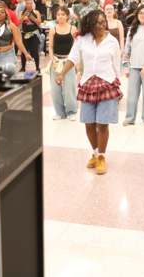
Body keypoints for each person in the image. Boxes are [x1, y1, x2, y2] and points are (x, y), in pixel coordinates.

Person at [55, 10, 122, 175]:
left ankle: (101, 157)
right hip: (87, 83)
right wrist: (62, 73)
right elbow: (72, 58)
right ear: (90, 24)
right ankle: (94, 152)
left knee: (102, 123)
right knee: (89, 123)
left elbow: (117, 65)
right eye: (98, 22)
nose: (101, 25)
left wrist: (119, 87)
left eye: (103, 22)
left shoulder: (112, 42)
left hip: (107, 83)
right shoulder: (81, 40)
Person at [0, 5, 33, 70]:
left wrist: (26, 54)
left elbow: (18, 42)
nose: (0, 14)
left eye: (2, 12)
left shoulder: (11, 26)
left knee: (8, 73)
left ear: (6, 15)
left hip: (8, 54)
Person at [48, 6, 78, 121]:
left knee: (69, 88)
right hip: (56, 61)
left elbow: (76, 47)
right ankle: (59, 112)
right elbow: (50, 47)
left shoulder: (73, 29)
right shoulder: (53, 29)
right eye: (58, 14)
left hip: (68, 62)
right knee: (55, 88)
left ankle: (71, 111)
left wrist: (72, 60)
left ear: (67, 16)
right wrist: (52, 58)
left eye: (63, 14)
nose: (60, 16)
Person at [19, 0, 42, 71]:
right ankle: (23, 67)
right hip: (24, 33)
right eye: (27, 3)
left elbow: (39, 23)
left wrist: (31, 17)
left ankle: (37, 67)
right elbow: (18, 23)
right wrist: (23, 17)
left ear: (33, 4)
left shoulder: (36, 12)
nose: (28, 5)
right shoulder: (22, 12)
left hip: (33, 34)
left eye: (30, 3)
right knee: (23, 52)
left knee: (35, 51)